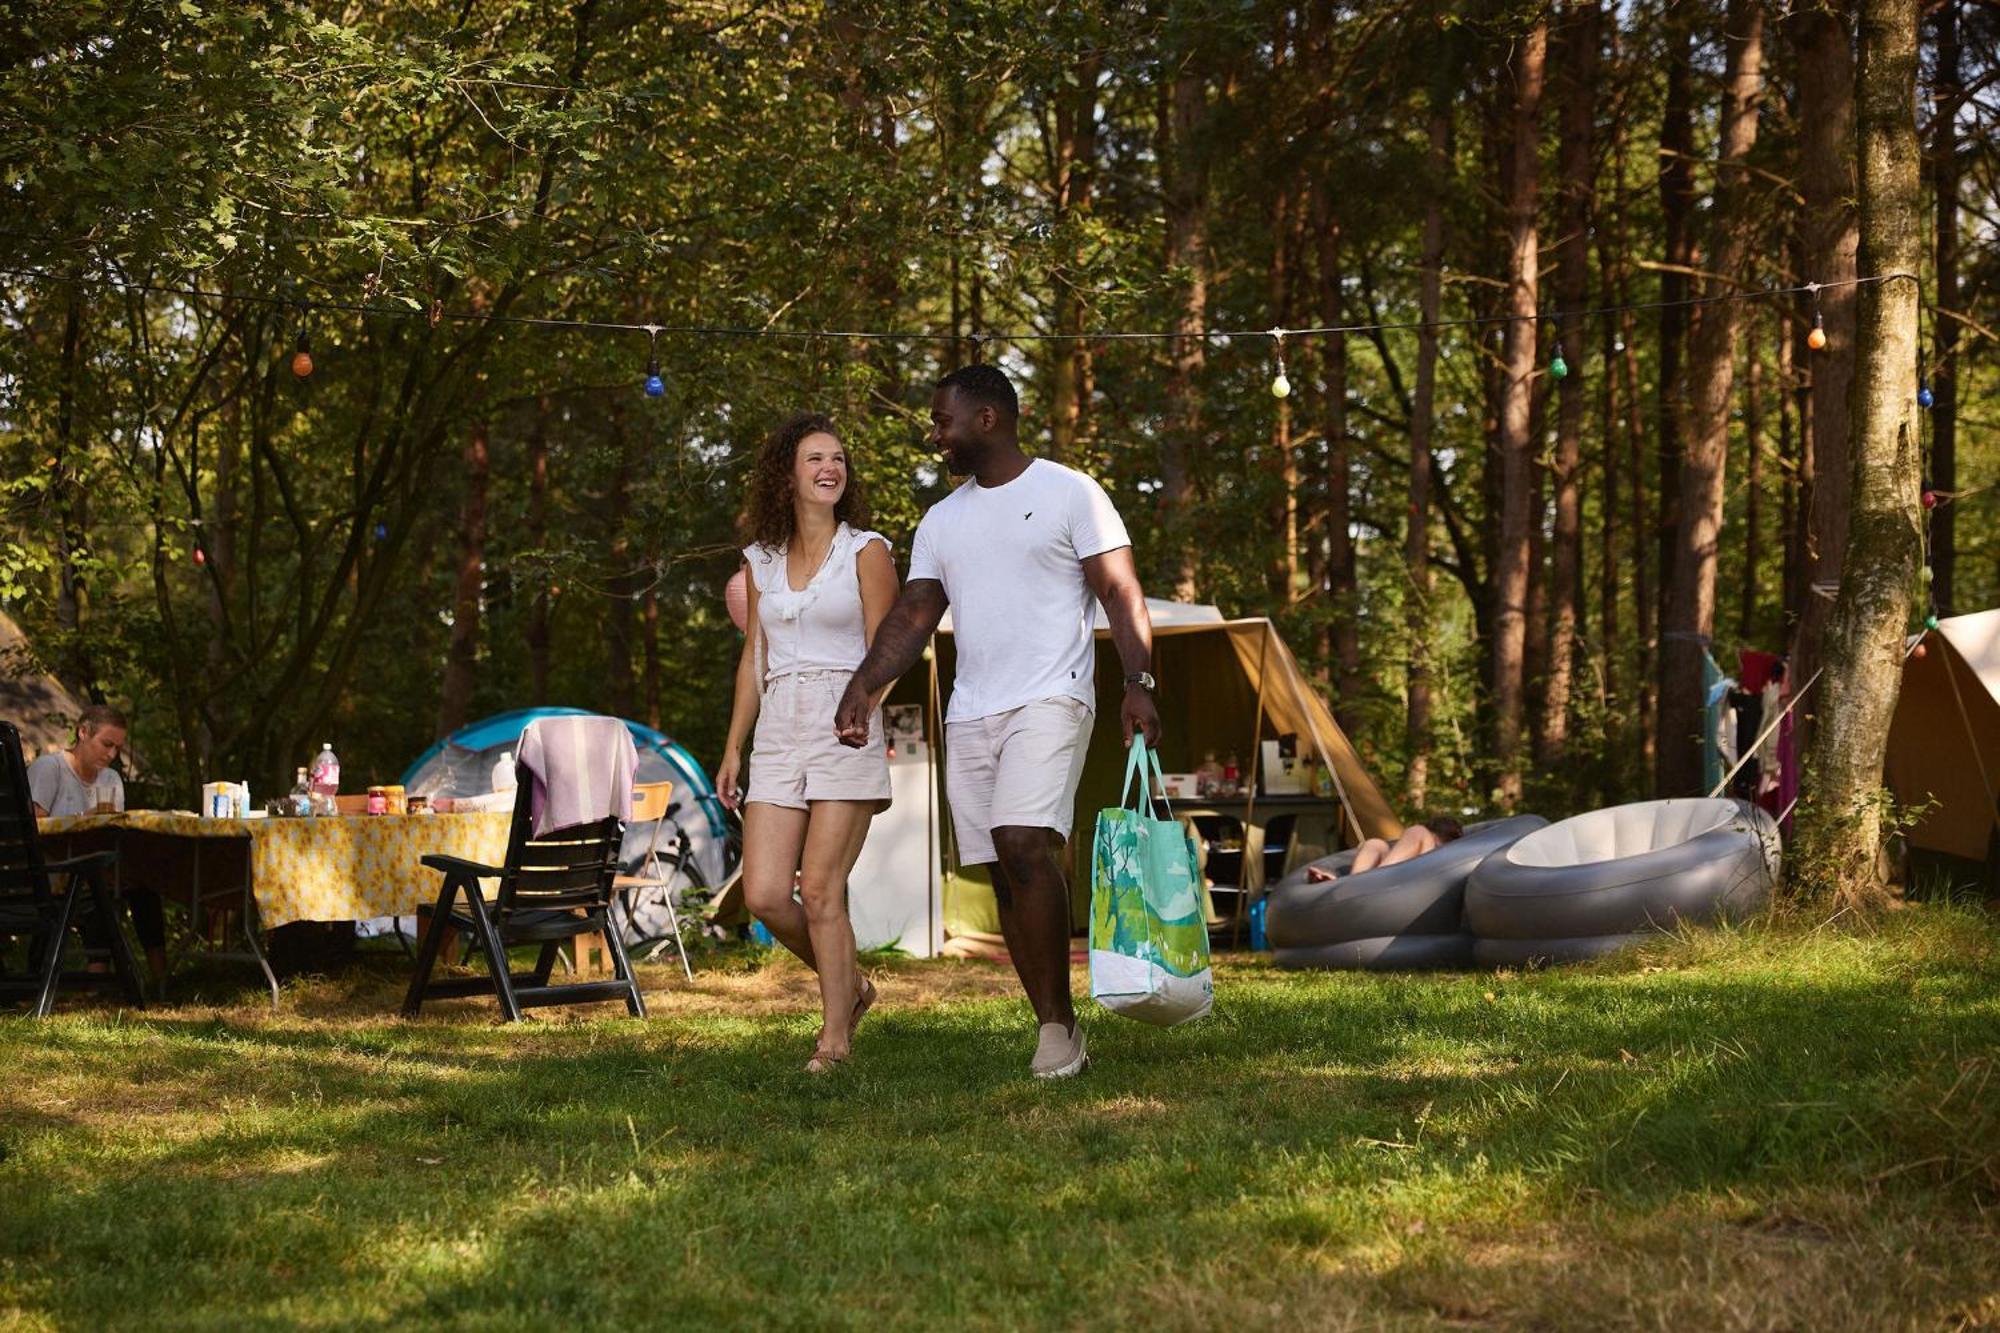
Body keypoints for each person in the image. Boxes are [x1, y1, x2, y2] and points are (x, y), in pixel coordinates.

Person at [834, 364, 1159, 1080]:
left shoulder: (1071, 493)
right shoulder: (942, 519)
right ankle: (1059, 1022)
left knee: (1024, 841)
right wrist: (866, 683)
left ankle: (1053, 1026)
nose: (934, 433)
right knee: (1002, 871)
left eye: (942, 419)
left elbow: (1119, 588)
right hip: (973, 708)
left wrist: (1139, 682)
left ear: (987, 418)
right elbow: (915, 612)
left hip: (1054, 695)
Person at [715, 412, 899, 1073]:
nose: (831, 468)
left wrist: (864, 704)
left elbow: (889, 646)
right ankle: (850, 984)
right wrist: (734, 745)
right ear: (786, 474)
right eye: (815, 458)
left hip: (842, 724)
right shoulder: (759, 559)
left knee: (822, 889)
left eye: (839, 459)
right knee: (765, 893)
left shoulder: (866, 549)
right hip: (777, 731)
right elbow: (753, 658)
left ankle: (835, 1040)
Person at [26, 704, 167, 987]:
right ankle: (97, 980)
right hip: (53, 870)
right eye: (106, 744)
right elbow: (33, 828)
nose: (112, 754)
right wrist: (82, 819)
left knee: (143, 887)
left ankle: (162, 981)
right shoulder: (50, 768)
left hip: (96, 865)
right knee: (94, 883)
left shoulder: (111, 779)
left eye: (117, 748)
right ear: (83, 732)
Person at [1306, 815, 1465, 881]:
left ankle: (1372, 879)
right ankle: (1351, 883)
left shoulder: (1430, 841)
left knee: (1418, 831)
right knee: (1376, 844)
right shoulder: (1422, 843)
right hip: (1387, 880)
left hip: (1409, 883)